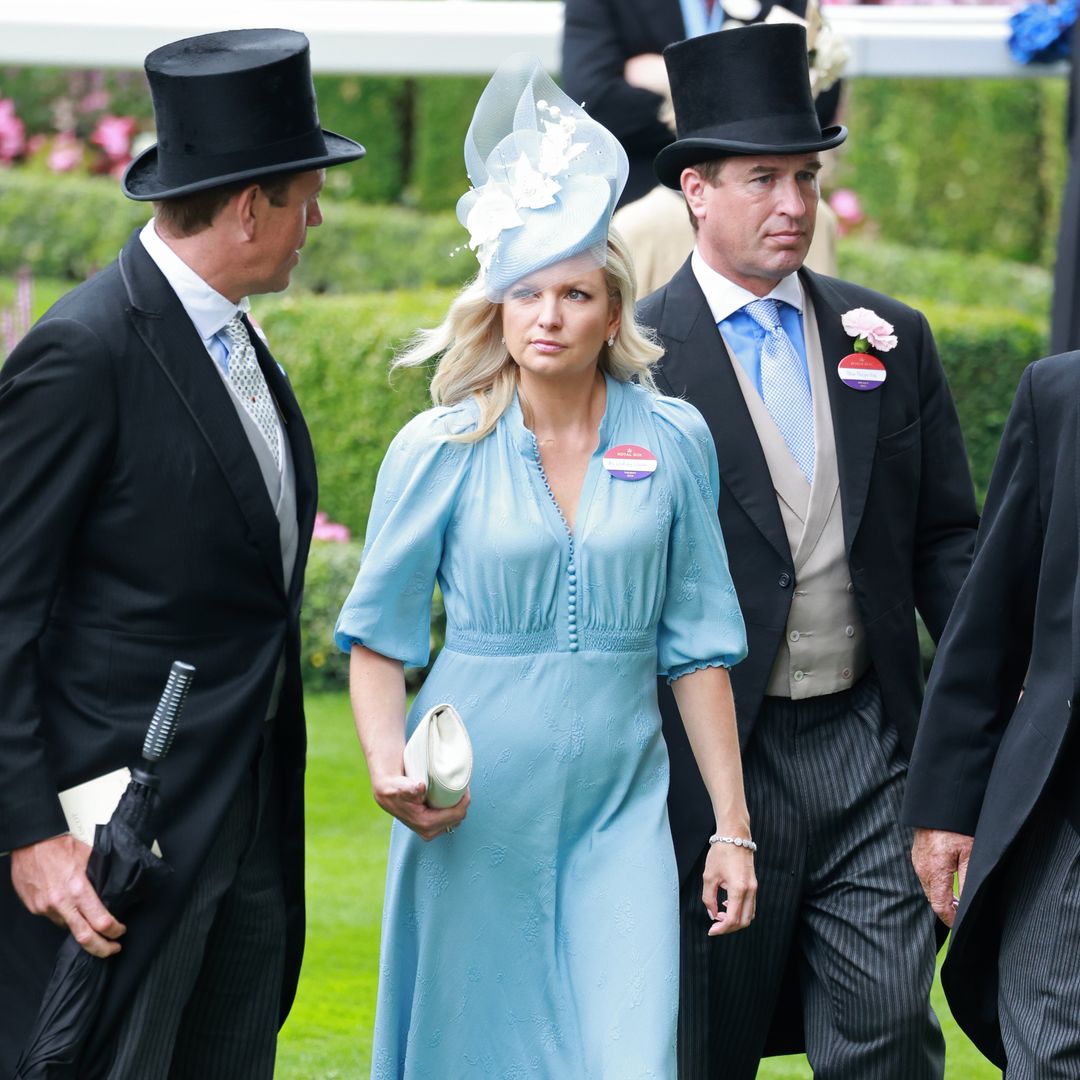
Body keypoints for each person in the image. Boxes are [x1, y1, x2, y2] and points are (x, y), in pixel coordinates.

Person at [335, 55, 755, 1077]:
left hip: (623, 812)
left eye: (576, 293)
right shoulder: (438, 448)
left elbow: (698, 651)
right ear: (497, 308)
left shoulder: (675, 439)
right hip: (472, 814)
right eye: (527, 294)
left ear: (614, 310)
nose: (550, 316)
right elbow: (377, 640)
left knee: (629, 1054)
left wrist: (731, 831)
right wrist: (392, 769)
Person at [0, 29, 364, 1079]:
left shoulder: (237, 334)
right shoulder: (85, 351)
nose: (318, 219)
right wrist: (29, 832)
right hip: (126, 835)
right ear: (248, 205)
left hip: (245, 817)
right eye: (305, 196)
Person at [637, 23, 979, 1079]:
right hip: (713, 757)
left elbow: (947, 543)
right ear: (695, 190)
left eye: (805, 177)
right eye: (761, 179)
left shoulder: (888, 335)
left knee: (886, 1029)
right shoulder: (637, 361)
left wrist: (990, 707)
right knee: (707, 1041)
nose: (792, 204)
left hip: (872, 745)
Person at [903, 352, 1080, 1071]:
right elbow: (990, 617)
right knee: (1047, 1048)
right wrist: (948, 806)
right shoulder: (1060, 394)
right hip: (1067, 808)